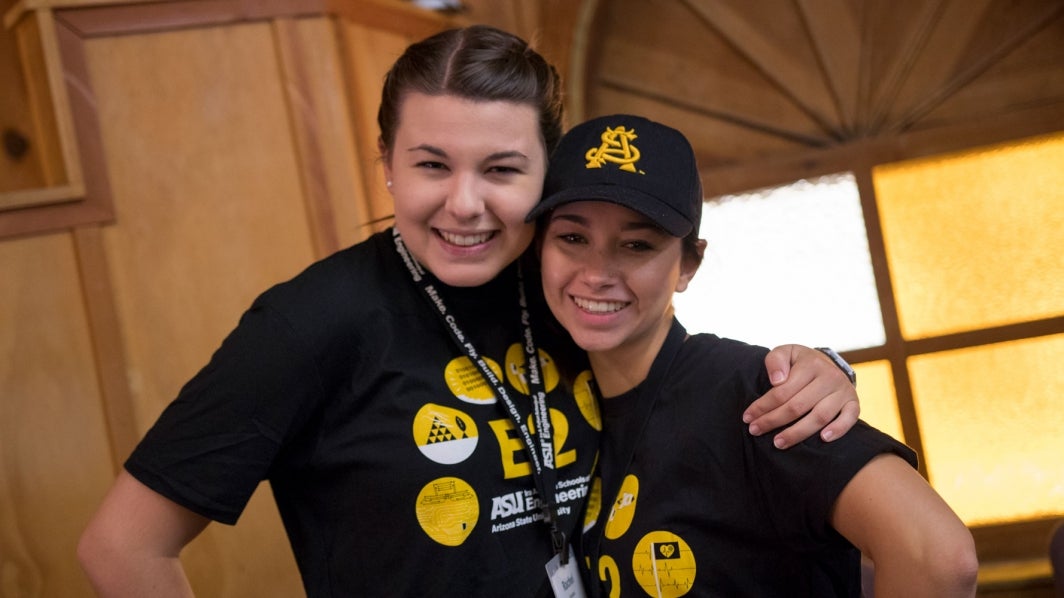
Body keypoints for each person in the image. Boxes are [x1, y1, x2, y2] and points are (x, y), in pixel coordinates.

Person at [77, 27, 863, 597]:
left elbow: (684, 384)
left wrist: (819, 368)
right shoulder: (311, 321)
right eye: (430, 165)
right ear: (385, 163)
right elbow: (121, 547)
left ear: (546, 172)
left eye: (501, 169)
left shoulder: (565, 282)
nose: (465, 204)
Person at [531, 114, 980, 597]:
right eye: (573, 238)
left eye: (637, 244)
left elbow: (937, 556)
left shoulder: (754, 393)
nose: (597, 273)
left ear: (689, 264)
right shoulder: (560, 396)